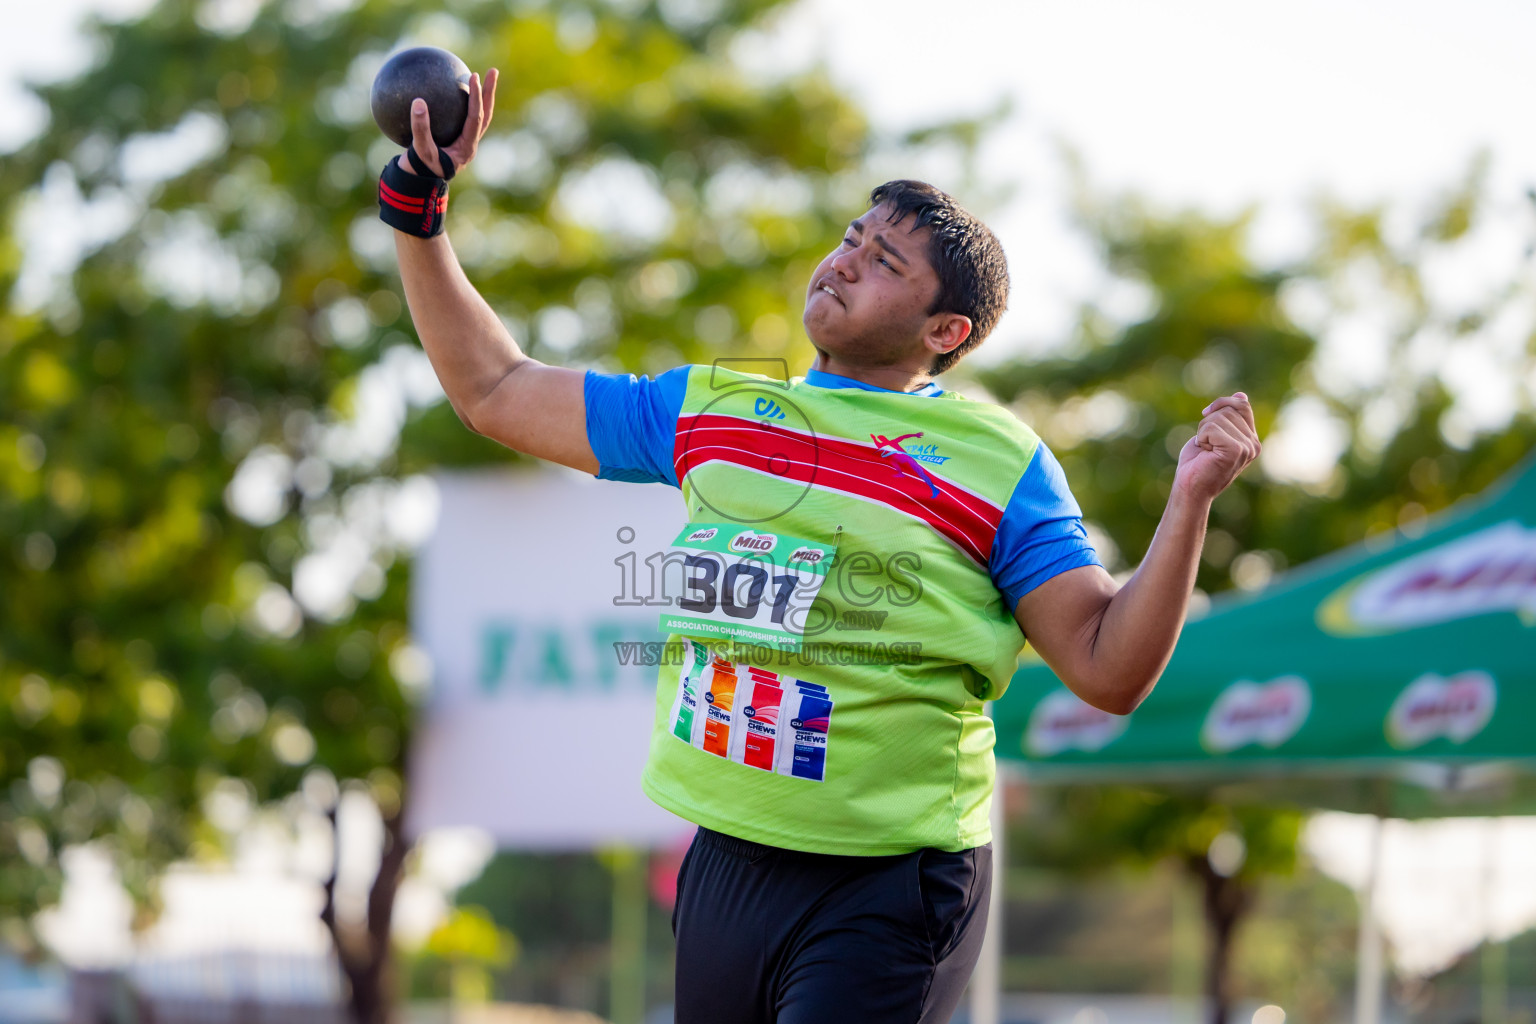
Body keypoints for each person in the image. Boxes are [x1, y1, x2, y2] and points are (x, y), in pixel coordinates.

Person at [378, 69, 1260, 1024]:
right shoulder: (712, 407)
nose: (843, 263)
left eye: (884, 262)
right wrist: (418, 217)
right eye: (850, 237)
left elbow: (1106, 668)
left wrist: (1189, 502)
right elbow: (496, 392)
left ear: (946, 330)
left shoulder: (998, 460)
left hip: (889, 884)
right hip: (726, 861)